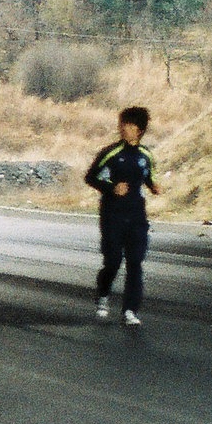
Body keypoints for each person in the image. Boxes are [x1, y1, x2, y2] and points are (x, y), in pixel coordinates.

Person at [85, 106, 161, 325]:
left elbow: (148, 176)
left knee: (135, 262)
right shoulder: (110, 153)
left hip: (137, 216)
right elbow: (91, 177)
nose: (123, 129)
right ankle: (103, 295)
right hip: (113, 214)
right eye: (122, 124)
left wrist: (153, 186)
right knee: (113, 261)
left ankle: (130, 310)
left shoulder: (146, 155)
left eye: (129, 125)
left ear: (139, 130)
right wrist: (111, 188)